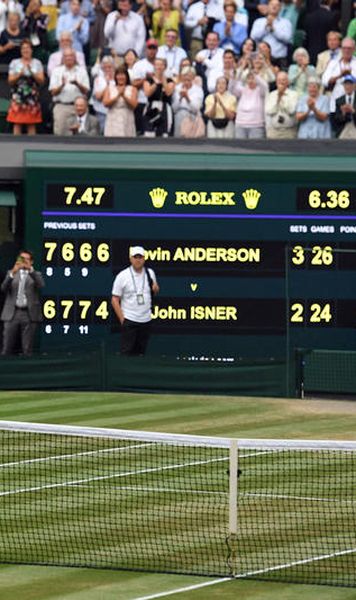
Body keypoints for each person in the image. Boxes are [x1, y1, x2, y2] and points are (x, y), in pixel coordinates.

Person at [111, 245, 159, 356]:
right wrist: (123, 320)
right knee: (127, 353)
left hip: (145, 321)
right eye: (135, 257)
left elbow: (154, 291)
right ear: (130, 259)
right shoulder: (123, 276)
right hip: (130, 320)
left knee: (141, 353)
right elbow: (114, 299)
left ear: (144, 259)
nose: (138, 260)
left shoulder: (150, 273)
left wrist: (156, 289)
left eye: (140, 257)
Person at [1, 249, 44, 356]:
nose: (24, 261)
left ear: (31, 261)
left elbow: (41, 285)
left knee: (27, 349)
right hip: (12, 313)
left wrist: (31, 270)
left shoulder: (36, 274)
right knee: (6, 347)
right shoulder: (11, 273)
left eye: (26, 259)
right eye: (22, 259)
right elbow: (3, 288)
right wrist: (13, 273)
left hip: (28, 314)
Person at [7, 39, 45, 135]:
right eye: (23, 48)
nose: (25, 50)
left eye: (28, 48)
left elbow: (41, 81)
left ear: (31, 50)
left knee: (31, 123)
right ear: (21, 50)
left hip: (32, 98)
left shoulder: (37, 63)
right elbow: (10, 81)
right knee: (17, 123)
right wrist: (19, 74)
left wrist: (32, 72)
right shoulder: (14, 63)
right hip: (18, 97)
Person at [49, 47, 90, 135]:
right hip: (62, 107)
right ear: (63, 58)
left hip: (79, 108)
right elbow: (53, 92)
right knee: (60, 134)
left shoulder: (82, 71)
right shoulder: (56, 71)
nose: (68, 58)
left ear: (75, 57)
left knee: (82, 134)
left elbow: (86, 91)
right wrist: (62, 85)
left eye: (71, 55)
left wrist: (77, 84)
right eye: (66, 56)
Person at [250, 0, 292, 70]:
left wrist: (273, 30)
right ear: (267, 6)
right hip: (260, 58)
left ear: (280, 8)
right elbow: (253, 37)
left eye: (277, 5)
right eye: (272, 4)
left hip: (279, 59)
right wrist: (265, 28)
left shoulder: (286, 22)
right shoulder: (259, 21)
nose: (274, 6)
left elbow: (288, 39)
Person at [143, 56, 175, 136]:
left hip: (165, 108)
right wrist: (156, 82)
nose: (159, 67)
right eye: (157, 65)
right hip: (151, 108)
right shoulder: (148, 80)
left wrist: (163, 80)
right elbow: (147, 93)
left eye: (161, 65)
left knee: (164, 133)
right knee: (149, 132)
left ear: (165, 67)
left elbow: (168, 92)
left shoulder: (169, 81)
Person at [103, 64, 138, 136]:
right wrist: (118, 95)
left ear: (126, 77)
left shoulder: (133, 89)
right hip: (113, 117)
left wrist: (123, 95)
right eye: (118, 75)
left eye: (122, 75)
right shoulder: (109, 88)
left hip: (127, 117)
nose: (120, 77)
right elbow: (105, 103)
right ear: (115, 77)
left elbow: (134, 105)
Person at [172, 65, 204, 136]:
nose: (187, 78)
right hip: (179, 117)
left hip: (192, 117)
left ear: (193, 77)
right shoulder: (177, 88)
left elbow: (196, 108)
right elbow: (174, 108)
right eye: (185, 75)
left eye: (189, 75)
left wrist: (187, 98)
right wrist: (180, 98)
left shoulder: (198, 90)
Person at [234, 70, 268, 138]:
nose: (251, 81)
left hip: (256, 126)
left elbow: (265, 86)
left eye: (253, 78)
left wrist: (256, 75)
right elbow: (234, 86)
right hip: (240, 125)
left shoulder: (260, 91)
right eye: (249, 78)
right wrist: (241, 69)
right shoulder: (242, 90)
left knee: (254, 148)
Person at [265, 70, 298, 138]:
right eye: (279, 80)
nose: (281, 82)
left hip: (289, 131)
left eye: (283, 80)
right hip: (273, 131)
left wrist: (282, 97)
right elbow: (269, 111)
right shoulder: (272, 95)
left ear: (287, 82)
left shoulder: (294, 94)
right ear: (276, 82)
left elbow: (291, 111)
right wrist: (278, 98)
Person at [332, 74, 356, 139]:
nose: (348, 86)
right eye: (346, 84)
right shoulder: (339, 101)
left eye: (350, 84)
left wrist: (353, 111)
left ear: (354, 85)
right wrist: (343, 113)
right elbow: (336, 120)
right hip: (344, 128)